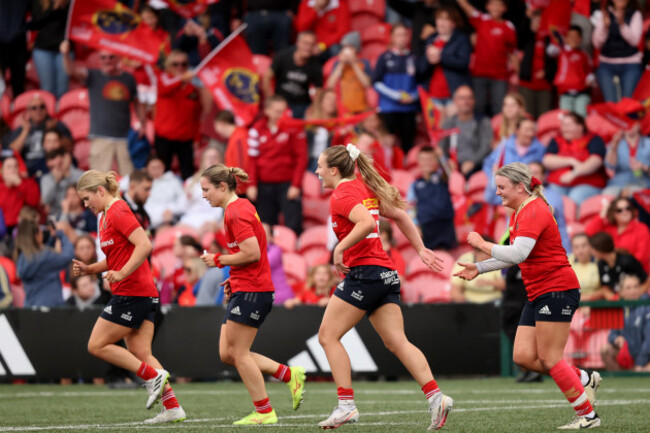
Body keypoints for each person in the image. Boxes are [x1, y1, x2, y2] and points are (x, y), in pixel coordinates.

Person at [314, 143, 453, 430]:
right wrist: (421, 249)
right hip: (386, 273)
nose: (316, 171)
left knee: (328, 336)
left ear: (334, 169)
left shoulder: (342, 193)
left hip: (365, 274)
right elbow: (400, 215)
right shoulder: (363, 188)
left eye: (319, 166)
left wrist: (339, 249)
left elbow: (365, 223)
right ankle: (436, 397)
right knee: (396, 342)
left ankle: (346, 406)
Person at [454, 162, 602, 429]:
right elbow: (515, 256)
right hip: (538, 292)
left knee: (549, 358)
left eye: (501, 187)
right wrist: (479, 267)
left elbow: (517, 254)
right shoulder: (520, 212)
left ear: (520, 187)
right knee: (523, 357)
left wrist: (482, 245)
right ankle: (582, 378)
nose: (497, 192)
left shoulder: (534, 209)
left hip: (556, 289)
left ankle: (588, 416)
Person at [72, 170, 186, 424]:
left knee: (96, 345)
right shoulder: (105, 216)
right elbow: (116, 257)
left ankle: (151, 376)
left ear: (100, 191)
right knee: (141, 351)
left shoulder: (118, 210)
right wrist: (91, 269)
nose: (86, 204)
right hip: (141, 293)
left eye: (87, 198)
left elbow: (145, 245)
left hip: (133, 292)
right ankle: (173, 408)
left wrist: (121, 272)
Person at [199, 164, 306, 425]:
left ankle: (264, 411)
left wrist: (219, 259)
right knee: (228, 353)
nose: (204, 195)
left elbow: (252, 253)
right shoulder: (236, 208)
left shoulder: (236, 212)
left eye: (206, 189)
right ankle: (288, 374)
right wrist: (233, 278)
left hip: (253, 290)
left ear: (222, 186)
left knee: (238, 352)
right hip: (246, 286)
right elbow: (250, 254)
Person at [61, 40, 146, 176]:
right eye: (103, 57)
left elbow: (137, 102)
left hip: (125, 138)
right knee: (99, 181)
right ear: (99, 59)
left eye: (111, 57)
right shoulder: (93, 75)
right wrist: (65, 54)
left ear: (118, 57)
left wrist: (143, 123)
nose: (107, 60)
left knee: (130, 180)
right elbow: (71, 71)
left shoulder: (128, 78)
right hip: (100, 136)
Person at [246, 95, 307, 235]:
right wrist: (252, 184)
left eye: (284, 111)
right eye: (277, 111)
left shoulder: (294, 128)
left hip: (287, 184)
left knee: (293, 224)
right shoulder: (256, 129)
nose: (282, 115)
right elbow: (252, 160)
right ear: (267, 111)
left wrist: (296, 185)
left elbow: (301, 158)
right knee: (265, 225)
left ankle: (294, 253)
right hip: (264, 185)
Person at [456, 0, 517, 116]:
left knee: (499, 108)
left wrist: (519, 74)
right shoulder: (482, 20)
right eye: (492, 4)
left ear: (504, 8)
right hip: (480, 74)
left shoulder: (508, 26)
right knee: (478, 107)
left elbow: (512, 53)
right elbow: (466, 6)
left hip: (500, 75)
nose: (495, 8)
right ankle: (479, 133)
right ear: (487, 6)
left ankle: (499, 133)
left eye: (498, 5)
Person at [154, 50, 203, 180]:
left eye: (184, 64)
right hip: (165, 138)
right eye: (175, 64)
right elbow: (164, 87)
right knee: (162, 175)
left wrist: (197, 138)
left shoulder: (192, 88)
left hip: (186, 139)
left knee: (188, 176)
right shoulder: (164, 78)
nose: (180, 67)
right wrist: (182, 79)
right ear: (169, 65)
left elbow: (196, 116)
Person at [542, 112, 607, 206]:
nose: (564, 128)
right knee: (551, 197)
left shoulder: (594, 139)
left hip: (587, 183)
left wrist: (574, 173)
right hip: (558, 183)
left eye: (568, 125)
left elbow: (595, 162)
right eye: (563, 125)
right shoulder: (557, 140)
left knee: (575, 198)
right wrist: (571, 161)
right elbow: (547, 160)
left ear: (580, 126)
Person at [373, 24, 419, 153]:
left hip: (409, 109)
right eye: (399, 35)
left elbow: (421, 83)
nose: (402, 38)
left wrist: (414, 96)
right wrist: (396, 96)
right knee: (387, 143)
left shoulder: (413, 58)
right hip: (389, 108)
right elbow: (376, 82)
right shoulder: (384, 57)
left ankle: (407, 172)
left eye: (404, 35)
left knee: (408, 144)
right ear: (392, 37)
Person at [418, 6, 472, 109]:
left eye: (445, 20)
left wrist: (441, 55)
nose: (441, 23)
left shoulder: (461, 39)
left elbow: (463, 63)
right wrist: (428, 59)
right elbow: (420, 68)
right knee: (437, 125)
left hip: (454, 95)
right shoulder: (430, 40)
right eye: (439, 19)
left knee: (453, 125)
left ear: (453, 23)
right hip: (433, 95)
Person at [483, 119, 546, 206]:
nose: (530, 134)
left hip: (526, 195)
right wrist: (494, 176)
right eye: (527, 130)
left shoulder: (540, 149)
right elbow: (488, 164)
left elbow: (544, 174)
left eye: (532, 130)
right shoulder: (504, 146)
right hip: (502, 194)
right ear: (517, 131)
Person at [591, 0, 644, 102]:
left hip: (630, 65)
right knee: (611, 103)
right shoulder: (604, 14)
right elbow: (596, 43)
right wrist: (605, 27)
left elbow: (634, 41)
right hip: (607, 65)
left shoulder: (635, 14)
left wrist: (622, 25)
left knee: (627, 104)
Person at [15, 219, 74, 308]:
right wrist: (60, 234)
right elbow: (67, 257)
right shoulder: (43, 257)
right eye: (40, 231)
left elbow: (46, 260)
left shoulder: (22, 257)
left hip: (31, 306)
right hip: (50, 308)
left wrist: (51, 238)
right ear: (36, 236)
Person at [8, 94, 72, 177]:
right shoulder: (22, 128)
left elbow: (70, 147)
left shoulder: (55, 124)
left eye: (42, 107)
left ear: (46, 109)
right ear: (28, 111)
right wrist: (25, 131)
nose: (38, 110)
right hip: (28, 168)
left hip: (51, 164)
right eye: (34, 108)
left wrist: (53, 130)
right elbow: (13, 152)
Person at [264, 31, 323, 119]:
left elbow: (319, 91)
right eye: (305, 43)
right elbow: (267, 77)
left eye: (311, 44)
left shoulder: (315, 65)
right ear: (298, 43)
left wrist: (313, 108)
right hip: (281, 101)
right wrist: (270, 98)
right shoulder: (283, 55)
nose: (308, 47)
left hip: (301, 105)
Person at [407, 145, 456, 251]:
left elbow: (451, 170)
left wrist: (442, 157)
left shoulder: (443, 177)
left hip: (445, 224)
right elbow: (410, 208)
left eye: (430, 159)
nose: (427, 162)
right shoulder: (415, 185)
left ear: (436, 160)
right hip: (427, 226)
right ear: (418, 161)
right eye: (423, 159)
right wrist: (415, 226)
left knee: (446, 256)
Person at [440, 86, 493, 178]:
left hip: (477, 167)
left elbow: (486, 147)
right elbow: (441, 147)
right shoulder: (449, 122)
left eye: (469, 98)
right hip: (452, 167)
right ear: (455, 101)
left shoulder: (482, 121)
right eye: (462, 98)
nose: (466, 101)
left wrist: (473, 162)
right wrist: (448, 161)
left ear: (474, 101)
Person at [585, 196, 650, 271]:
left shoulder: (641, 228)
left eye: (628, 208)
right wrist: (603, 213)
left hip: (635, 272)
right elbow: (589, 233)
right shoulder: (608, 228)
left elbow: (642, 257)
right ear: (613, 214)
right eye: (619, 210)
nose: (624, 211)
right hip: (612, 271)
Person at [600, 273, 650, 371]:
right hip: (627, 353)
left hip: (646, 356)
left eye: (636, 286)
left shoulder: (647, 306)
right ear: (621, 292)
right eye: (628, 287)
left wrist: (640, 363)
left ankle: (638, 370)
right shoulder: (620, 308)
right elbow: (612, 334)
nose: (633, 290)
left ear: (640, 289)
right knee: (605, 350)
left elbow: (649, 340)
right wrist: (616, 339)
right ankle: (619, 378)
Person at [548, 25, 594, 117]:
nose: (573, 39)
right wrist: (555, 32)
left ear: (580, 39)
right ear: (566, 38)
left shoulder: (584, 55)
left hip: (581, 92)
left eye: (576, 36)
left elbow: (589, 71)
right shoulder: (561, 51)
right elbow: (550, 51)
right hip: (565, 93)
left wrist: (590, 80)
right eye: (571, 36)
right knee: (566, 117)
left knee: (581, 117)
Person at [588, 231, 648, 300]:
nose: (591, 252)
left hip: (637, 301)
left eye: (592, 249)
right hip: (619, 304)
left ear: (600, 248)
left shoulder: (627, 261)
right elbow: (605, 288)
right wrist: (616, 299)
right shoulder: (601, 264)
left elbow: (646, 281)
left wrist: (634, 294)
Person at [30, 0, 70, 98]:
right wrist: (53, 8)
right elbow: (35, 22)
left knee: (63, 89)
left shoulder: (70, 3)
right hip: (43, 49)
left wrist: (64, 5)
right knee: (47, 89)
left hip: (64, 49)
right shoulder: (39, 2)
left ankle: (62, 112)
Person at [325, 31, 372, 115]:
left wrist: (354, 63)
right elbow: (330, 85)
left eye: (349, 47)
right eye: (344, 47)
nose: (346, 51)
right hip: (343, 109)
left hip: (361, 107)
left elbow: (367, 83)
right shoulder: (338, 63)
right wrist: (341, 64)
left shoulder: (364, 63)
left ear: (356, 49)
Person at [180, 147, 224, 232]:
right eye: (209, 157)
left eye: (215, 157)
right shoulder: (191, 181)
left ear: (220, 161)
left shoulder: (226, 182)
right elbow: (182, 208)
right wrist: (187, 197)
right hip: (190, 220)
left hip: (211, 221)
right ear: (203, 161)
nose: (212, 160)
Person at [450, 237, 504, 303]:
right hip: (469, 302)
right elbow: (455, 290)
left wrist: (488, 283)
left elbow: (506, 285)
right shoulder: (464, 260)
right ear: (476, 252)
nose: (490, 255)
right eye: (487, 252)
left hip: (493, 301)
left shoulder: (498, 259)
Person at [604, 120, 650, 196]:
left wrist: (643, 166)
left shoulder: (648, 143)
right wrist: (614, 146)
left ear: (639, 125)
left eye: (631, 124)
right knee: (607, 196)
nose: (628, 127)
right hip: (618, 184)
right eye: (625, 124)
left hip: (643, 184)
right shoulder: (615, 144)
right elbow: (610, 165)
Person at [143, 156, 188, 229]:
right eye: (153, 168)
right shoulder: (143, 184)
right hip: (152, 221)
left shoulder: (173, 180)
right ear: (146, 168)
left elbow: (183, 201)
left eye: (159, 167)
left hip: (173, 218)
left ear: (164, 167)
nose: (156, 170)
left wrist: (172, 210)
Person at [0, 155, 40, 233]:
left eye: (15, 166)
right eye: (9, 167)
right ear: (2, 171)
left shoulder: (29, 184)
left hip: (23, 227)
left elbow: (34, 203)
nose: (13, 170)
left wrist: (20, 184)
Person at [40, 147, 84, 216]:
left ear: (66, 159)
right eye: (52, 167)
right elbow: (46, 200)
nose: (56, 168)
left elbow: (85, 195)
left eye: (59, 164)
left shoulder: (80, 175)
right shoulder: (47, 179)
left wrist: (67, 174)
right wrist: (56, 181)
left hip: (78, 215)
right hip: (55, 216)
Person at [305, 89, 339, 171]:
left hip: (330, 165)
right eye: (329, 99)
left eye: (335, 100)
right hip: (311, 163)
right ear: (321, 101)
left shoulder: (339, 125)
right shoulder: (310, 123)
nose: (332, 102)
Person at [262, 223, 294, 306]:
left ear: (270, 237)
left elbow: (262, 265)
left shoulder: (276, 250)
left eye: (262, 233)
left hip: (280, 298)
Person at [569, 233, 601, 301]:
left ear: (590, 246)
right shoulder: (566, 263)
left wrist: (584, 299)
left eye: (583, 246)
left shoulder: (599, 261)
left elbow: (605, 290)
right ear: (572, 249)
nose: (580, 251)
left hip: (596, 305)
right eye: (576, 247)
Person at [123, 169, 153, 234]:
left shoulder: (141, 208)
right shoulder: (118, 209)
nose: (149, 194)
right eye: (146, 189)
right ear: (132, 187)